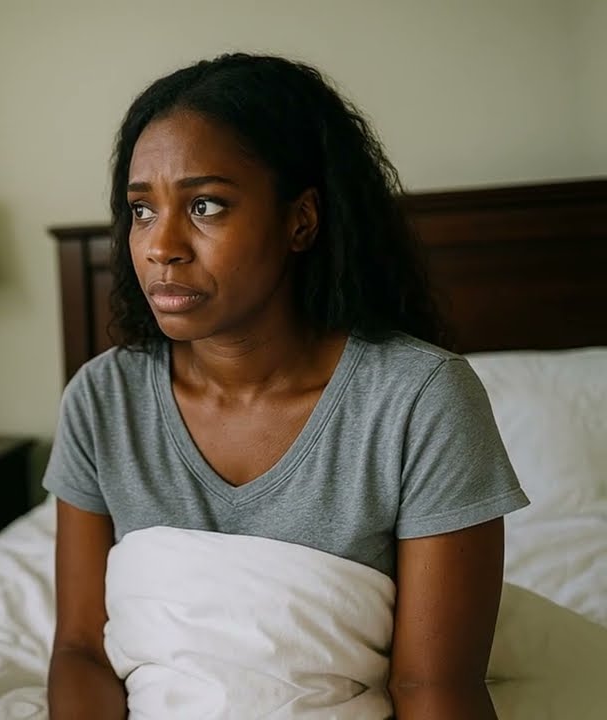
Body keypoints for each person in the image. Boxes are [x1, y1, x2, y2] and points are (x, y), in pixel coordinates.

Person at [44, 53, 529, 720]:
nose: (161, 245)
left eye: (205, 205)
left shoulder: (420, 400)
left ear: (300, 221)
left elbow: (432, 688)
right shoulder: (102, 400)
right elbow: (81, 651)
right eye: (141, 210)